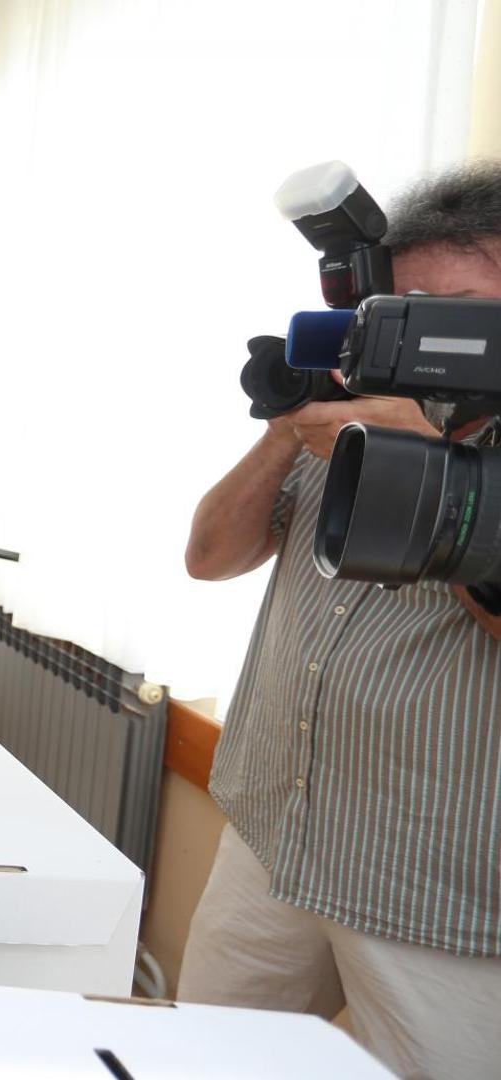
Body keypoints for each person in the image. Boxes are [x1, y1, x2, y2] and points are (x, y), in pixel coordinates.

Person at [180, 162, 501, 1079]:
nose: (422, 329)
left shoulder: (419, 429)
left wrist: (429, 465)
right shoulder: (358, 411)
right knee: (202, 1059)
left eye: (461, 304)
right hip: (279, 826)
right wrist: (288, 423)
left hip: (435, 878)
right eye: (409, 303)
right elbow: (209, 557)